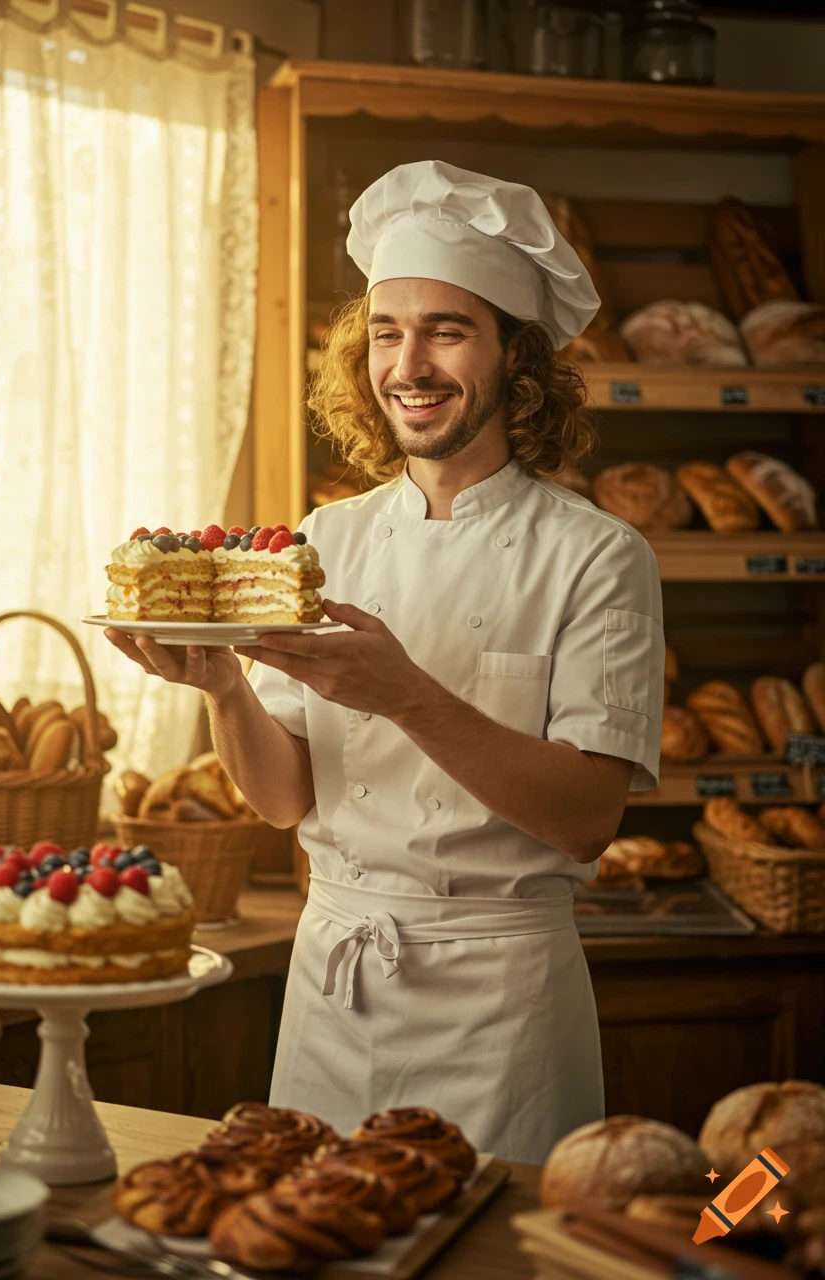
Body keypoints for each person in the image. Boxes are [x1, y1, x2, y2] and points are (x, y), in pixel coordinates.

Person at [106, 160, 665, 1164]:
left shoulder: (596, 555)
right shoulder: (330, 536)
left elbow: (585, 818)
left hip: (500, 1007)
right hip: (331, 984)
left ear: (515, 357)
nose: (407, 363)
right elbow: (283, 799)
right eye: (384, 331)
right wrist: (222, 685)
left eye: (445, 330)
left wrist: (403, 694)